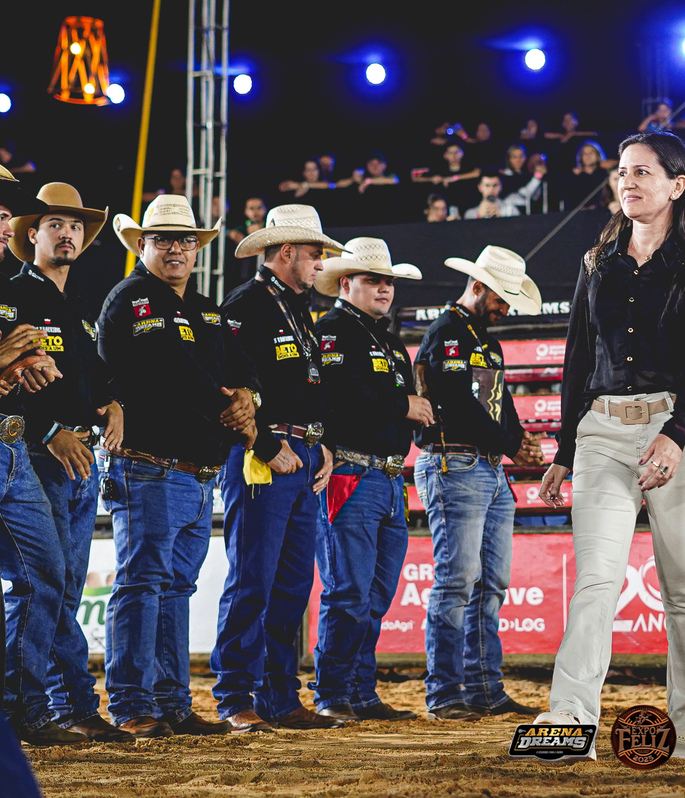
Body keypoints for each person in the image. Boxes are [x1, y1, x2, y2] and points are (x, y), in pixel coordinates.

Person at [536, 131, 685, 762]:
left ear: (677, 185)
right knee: (595, 580)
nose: (628, 182)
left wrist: (676, 435)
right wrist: (565, 450)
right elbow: (577, 359)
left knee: (681, 589)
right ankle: (569, 719)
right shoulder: (597, 261)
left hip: (677, 428)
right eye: (622, 172)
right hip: (602, 433)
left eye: (643, 172)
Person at [100, 194, 259, 738]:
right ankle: (131, 704)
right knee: (144, 583)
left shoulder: (208, 308)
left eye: (185, 239)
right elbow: (170, 369)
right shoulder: (133, 298)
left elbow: (242, 366)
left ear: (197, 247)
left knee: (173, 587)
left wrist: (249, 396)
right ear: (141, 244)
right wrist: (230, 402)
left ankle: (170, 703)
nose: (175, 248)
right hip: (149, 466)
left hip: (193, 471)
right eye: (163, 239)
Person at [3, 183, 131, 742]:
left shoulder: (78, 304)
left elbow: (95, 379)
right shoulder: (14, 294)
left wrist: (113, 403)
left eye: (76, 226)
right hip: (37, 454)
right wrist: (51, 431)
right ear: (32, 233)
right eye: (56, 224)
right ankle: (57, 704)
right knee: (45, 583)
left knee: (65, 587)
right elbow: (17, 383)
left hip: (80, 457)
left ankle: (64, 705)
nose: (68, 234)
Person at [213, 205, 344, 733]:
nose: (320, 264)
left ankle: (278, 696)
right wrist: (266, 444)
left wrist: (322, 443)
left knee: (291, 585)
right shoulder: (245, 304)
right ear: (286, 252)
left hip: (303, 454)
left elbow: (306, 387)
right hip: (263, 454)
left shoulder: (297, 308)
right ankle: (234, 696)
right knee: (252, 578)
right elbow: (227, 388)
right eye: (314, 254)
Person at [413, 245, 545, 721]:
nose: (505, 307)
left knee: (489, 583)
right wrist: (513, 445)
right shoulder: (447, 331)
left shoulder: (479, 339)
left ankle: (483, 688)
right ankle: (446, 692)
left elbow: (497, 402)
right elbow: (456, 401)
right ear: (477, 286)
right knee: (458, 581)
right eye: (501, 297)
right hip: (457, 462)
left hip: (481, 466)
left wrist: (518, 441)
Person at [309, 238, 432, 722]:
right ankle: (333, 692)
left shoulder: (388, 340)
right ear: (346, 283)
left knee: (375, 595)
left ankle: (359, 690)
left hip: (387, 477)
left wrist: (411, 410)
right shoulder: (333, 329)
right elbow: (339, 394)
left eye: (388, 282)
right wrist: (404, 405)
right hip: (351, 473)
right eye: (373, 280)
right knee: (349, 592)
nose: (384, 289)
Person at [0, 169, 83, 747]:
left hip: (12, 447)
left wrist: (23, 363)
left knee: (46, 575)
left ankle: (23, 711)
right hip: (22, 449)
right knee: (43, 576)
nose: (4, 222)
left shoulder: (12, 290)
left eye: (6, 213)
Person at [464, 167, 545, 219]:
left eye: (495, 185)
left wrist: (501, 219)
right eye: (487, 185)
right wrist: (479, 217)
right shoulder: (471, 213)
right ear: (480, 187)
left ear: (501, 187)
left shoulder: (511, 211)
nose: (491, 189)